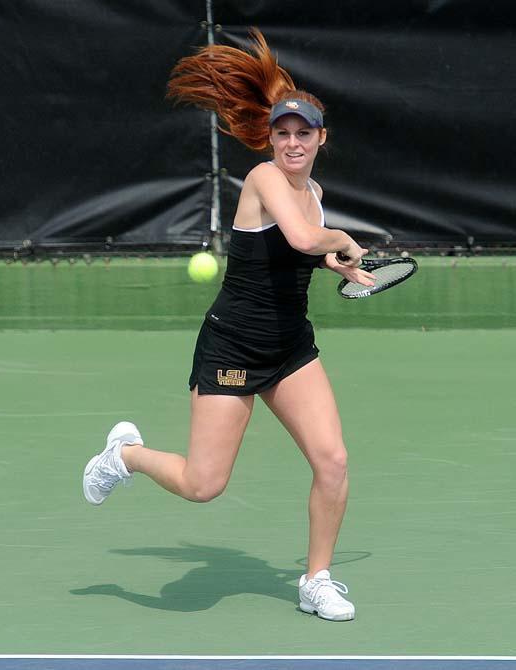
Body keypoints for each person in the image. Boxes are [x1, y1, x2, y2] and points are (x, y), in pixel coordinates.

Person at [82, 29, 375, 622]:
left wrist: (331, 260)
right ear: (271, 139)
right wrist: (340, 241)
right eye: (282, 133)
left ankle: (316, 579)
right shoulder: (266, 179)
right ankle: (126, 454)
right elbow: (297, 236)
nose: (292, 143)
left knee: (334, 461)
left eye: (303, 133)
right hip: (233, 346)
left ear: (321, 138)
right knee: (202, 485)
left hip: (291, 348)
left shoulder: (313, 192)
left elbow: (299, 248)